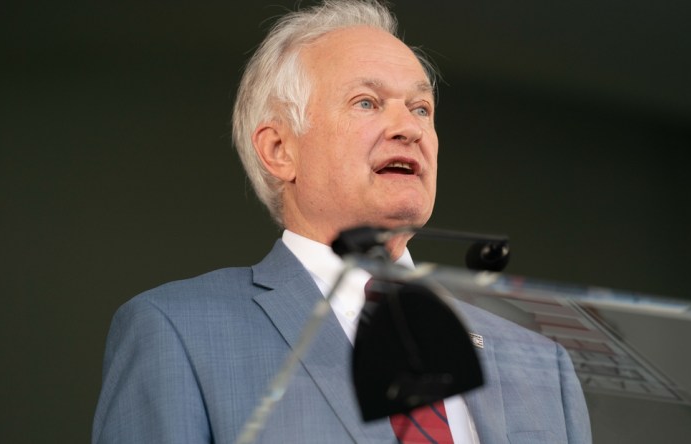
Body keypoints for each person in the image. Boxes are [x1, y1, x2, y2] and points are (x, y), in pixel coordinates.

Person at [92, 1, 592, 443]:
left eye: (421, 108)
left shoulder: (539, 363)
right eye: (367, 103)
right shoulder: (179, 332)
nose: (409, 128)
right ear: (279, 150)